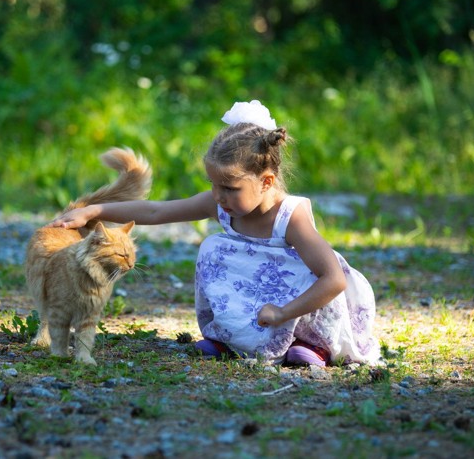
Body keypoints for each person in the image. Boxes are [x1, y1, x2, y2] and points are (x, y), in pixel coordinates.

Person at [48, 100, 381, 367]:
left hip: (300, 304)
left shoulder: (291, 217)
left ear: (265, 181)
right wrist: (95, 211)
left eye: (229, 188)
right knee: (216, 248)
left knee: (302, 275)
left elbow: (333, 279)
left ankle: (311, 345)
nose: (219, 197)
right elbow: (157, 211)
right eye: (214, 185)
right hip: (260, 297)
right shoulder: (221, 203)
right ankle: (230, 338)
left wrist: (282, 314)